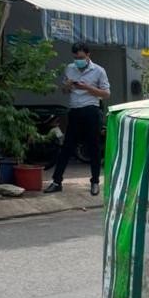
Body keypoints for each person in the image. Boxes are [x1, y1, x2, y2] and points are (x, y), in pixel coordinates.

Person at [44, 43, 110, 196]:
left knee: (93, 147)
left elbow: (106, 94)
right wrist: (67, 86)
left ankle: (95, 182)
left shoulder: (99, 71)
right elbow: (65, 91)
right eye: (75, 58)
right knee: (67, 147)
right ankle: (56, 181)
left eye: (80, 57)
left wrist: (87, 88)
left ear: (88, 55)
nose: (77, 61)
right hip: (74, 111)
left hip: (91, 110)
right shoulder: (70, 68)